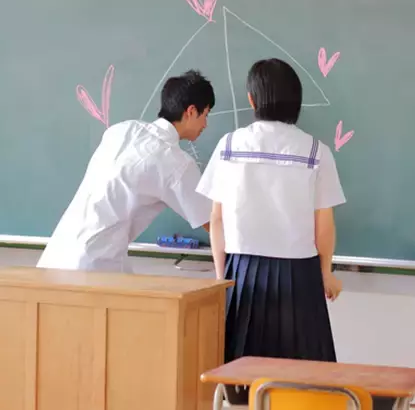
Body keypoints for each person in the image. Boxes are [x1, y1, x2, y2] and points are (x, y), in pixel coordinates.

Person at [196, 58, 345, 405]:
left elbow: (216, 219)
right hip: (300, 276)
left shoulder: (229, 145)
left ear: (252, 99)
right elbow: (324, 223)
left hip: (242, 273)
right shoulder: (315, 151)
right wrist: (325, 273)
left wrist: (221, 276)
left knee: (239, 383)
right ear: (296, 100)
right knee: (305, 380)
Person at [37, 70, 215, 273]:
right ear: (191, 111)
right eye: (205, 114)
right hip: (95, 265)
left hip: (57, 253)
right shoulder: (176, 162)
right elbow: (213, 222)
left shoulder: (120, 130)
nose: (205, 124)